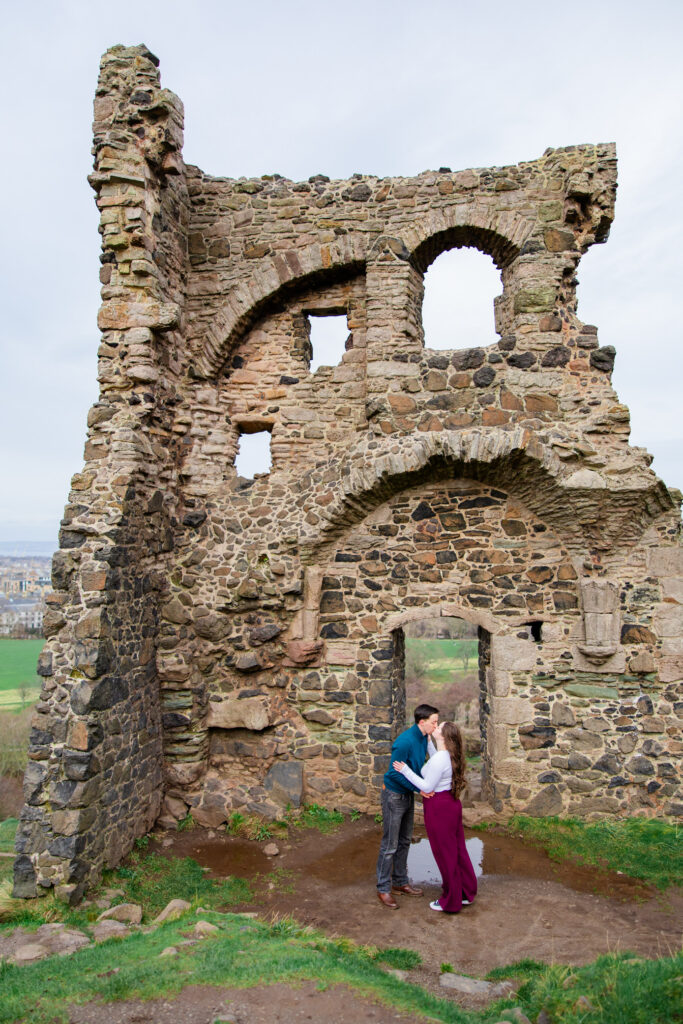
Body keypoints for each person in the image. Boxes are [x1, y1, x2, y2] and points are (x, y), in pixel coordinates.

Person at [393, 720, 476, 913]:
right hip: (451, 805)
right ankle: (465, 891)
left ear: (444, 737)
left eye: (438, 727)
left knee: (445, 854)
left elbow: (427, 787)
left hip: (439, 809)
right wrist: (428, 738)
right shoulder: (448, 755)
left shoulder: (440, 759)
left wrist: (405, 770)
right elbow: (435, 755)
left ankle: (452, 900)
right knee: (457, 850)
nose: (435, 727)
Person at [376, 703, 439, 909]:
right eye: (434, 722)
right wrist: (419, 789)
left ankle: (400, 882)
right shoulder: (404, 742)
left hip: (407, 795)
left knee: (404, 840)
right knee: (390, 844)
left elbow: (420, 766)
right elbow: (394, 773)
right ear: (422, 722)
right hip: (394, 795)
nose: (436, 726)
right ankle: (383, 888)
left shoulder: (423, 737)